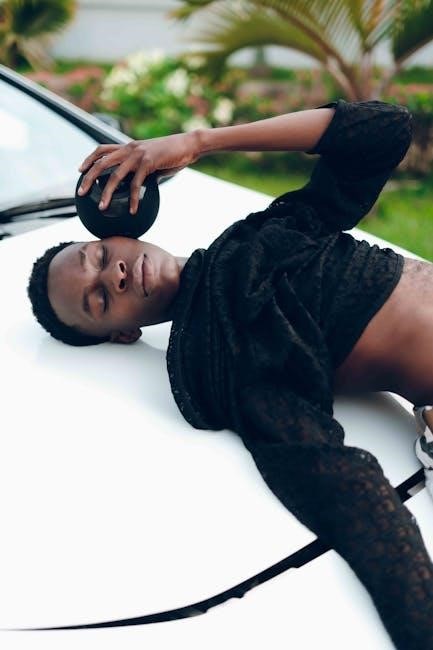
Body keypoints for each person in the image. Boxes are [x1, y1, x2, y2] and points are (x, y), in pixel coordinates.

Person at [27, 99, 433, 648]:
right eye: (100, 300)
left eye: (98, 257)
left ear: (119, 229)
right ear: (123, 334)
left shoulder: (252, 236)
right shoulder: (222, 352)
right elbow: (339, 485)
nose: (114, 275)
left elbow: (384, 130)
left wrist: (199, 142)